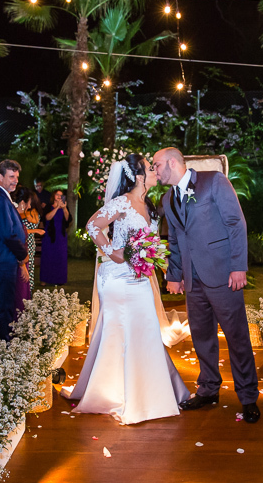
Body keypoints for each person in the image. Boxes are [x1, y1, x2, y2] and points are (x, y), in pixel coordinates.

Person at [63, 153, 190, 424]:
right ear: (139, 176)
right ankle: (114, 393)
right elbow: (92, 226)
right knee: (120, 330)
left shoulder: (150, 205)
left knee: (146, 329)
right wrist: (112, 252)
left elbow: (151, 243)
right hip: (117, 278)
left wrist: (163, 265)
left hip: (141, 278)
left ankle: (150, 392)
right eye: (150, 169)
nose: (155, 172)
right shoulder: (121, 202)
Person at [153, 147, 260, 423]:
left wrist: (238, 266)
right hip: (193, 280)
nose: (154, 171)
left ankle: (248, 396)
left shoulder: (213, 181)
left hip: (223, 274)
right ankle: (209, 389)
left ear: (172, 162)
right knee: (202, 337)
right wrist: (174, 275)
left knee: (237, 336)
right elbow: (174, 239)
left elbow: (235, 223)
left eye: (156, 165)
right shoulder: (167, 198)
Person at [0, 160, 29, 341]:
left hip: (1, 260)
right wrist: (22, 255)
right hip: (2, 261)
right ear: (0, 177)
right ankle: (3, 348)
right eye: (11, 176)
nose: (15, 180)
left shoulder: (0, 196)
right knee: (3, 308)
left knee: (1, 306)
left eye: (17, 177)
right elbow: (7, 234)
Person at [14, 187, 44, 291]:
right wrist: (35, 231)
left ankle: (29, 289)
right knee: (24, 266)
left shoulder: (34, 212)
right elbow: (20, 230)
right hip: (23, 242)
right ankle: (24, 290)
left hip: (30, 242)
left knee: (30, 266)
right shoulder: (19, 213)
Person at [41, 189, 72, 286]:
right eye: (57, 194)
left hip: (61, 236)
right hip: (50, 236)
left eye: (61, 195)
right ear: (53, 196)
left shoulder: (64, 207)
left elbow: (68, 219)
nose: (59, 196)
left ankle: (59, 279)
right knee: (48, 257)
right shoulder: (48, 206)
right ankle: (45, 279)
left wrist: (64, 208)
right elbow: (47, 218)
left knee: (60, 257)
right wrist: (57, 207)